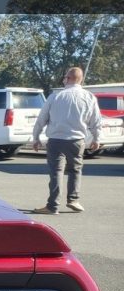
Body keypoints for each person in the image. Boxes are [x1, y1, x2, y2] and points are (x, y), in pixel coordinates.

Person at [31, 67, 102, 215]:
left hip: (56, 140)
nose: (63, 79)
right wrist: (96, 138)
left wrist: (36, 137)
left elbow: (42, 119)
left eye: (65, 77)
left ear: (68, 79)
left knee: (56, 172)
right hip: (77, 140)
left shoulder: (55, 97)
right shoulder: (89, 97)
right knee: (75, 170)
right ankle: (73, 199)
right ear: (80, 79)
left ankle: (52, 206)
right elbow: (95, 121)